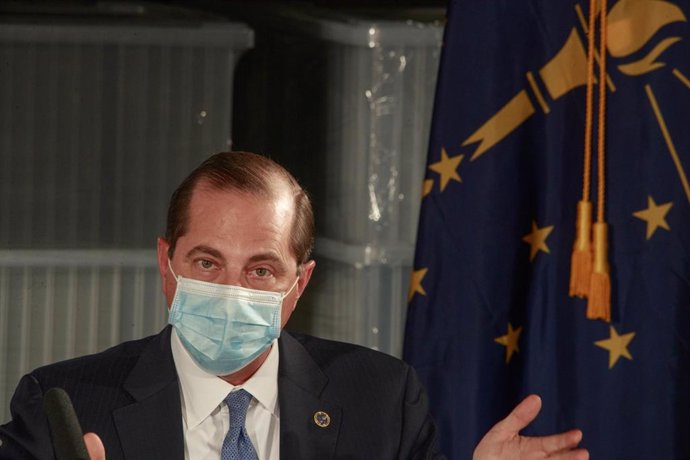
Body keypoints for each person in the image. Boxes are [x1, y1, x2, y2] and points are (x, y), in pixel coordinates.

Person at [0, 151, 588, 460]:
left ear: (299, 285)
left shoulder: (381, 400)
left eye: (261, 269)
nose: (232, 289)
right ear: (166, 264)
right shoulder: (66, 409)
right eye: (207, 263)